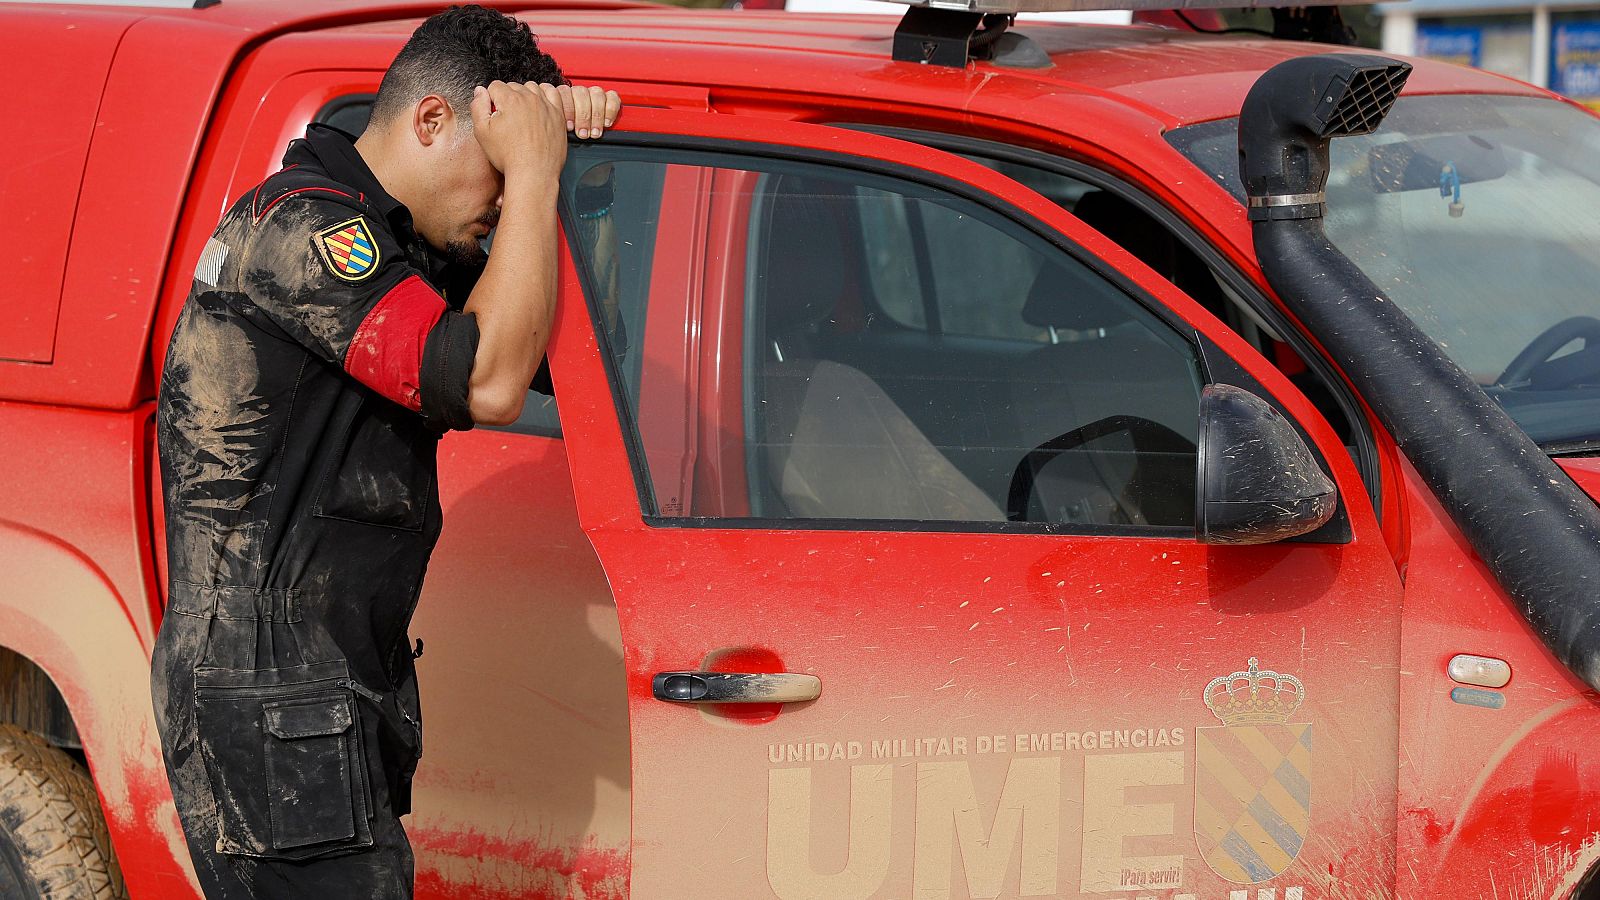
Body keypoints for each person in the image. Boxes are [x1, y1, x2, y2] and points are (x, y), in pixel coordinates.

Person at [148, 6, 620, 897]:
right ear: (433, 120)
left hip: (311, 688)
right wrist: (536, 179)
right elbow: (489, 380)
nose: (502, 199)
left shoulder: (397, 242)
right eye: (498, 164)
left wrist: (570, 175)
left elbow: (560, 348)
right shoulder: (307, 235)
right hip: (270, 698)